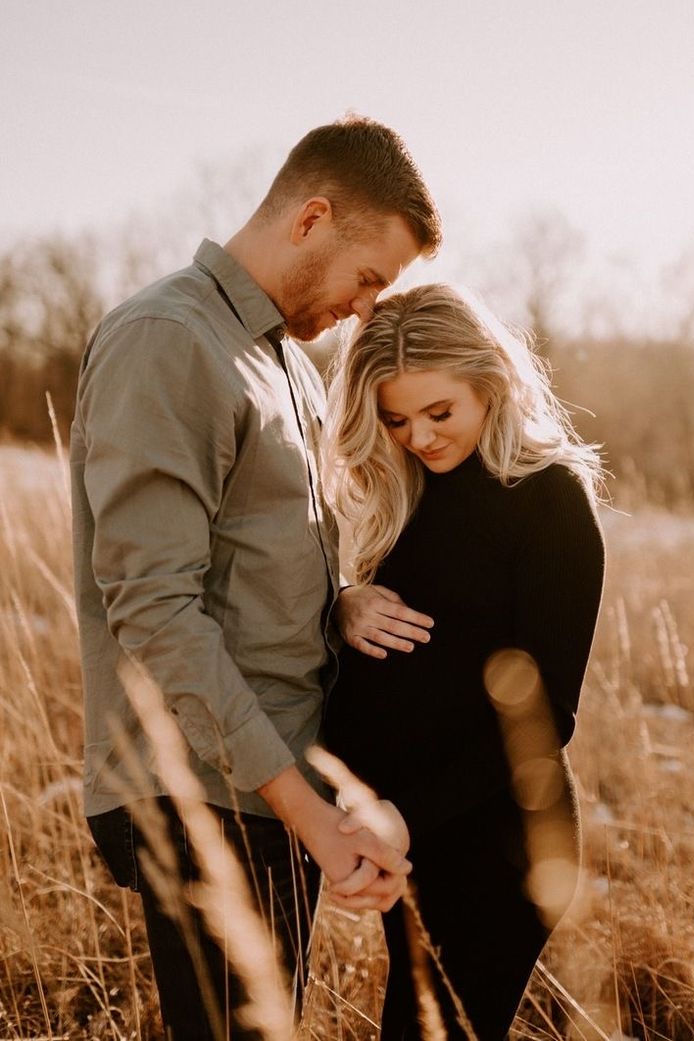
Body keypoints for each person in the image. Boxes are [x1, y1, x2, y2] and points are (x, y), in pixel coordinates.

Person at [69, 115, 441, 1040]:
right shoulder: (169, 339)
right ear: (312, 217)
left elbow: (250, 556)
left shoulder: (287, 365)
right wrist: (305, 810)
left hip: (267, 787)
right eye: (367, 279)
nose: (365, 308)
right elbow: (155, 606)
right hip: (204, 792)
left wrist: (342, 596)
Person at [322, 284, 606, 1040]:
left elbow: (547, 718)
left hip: (495, 848)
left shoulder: (548, 499)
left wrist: (399, 818)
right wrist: (344, 600)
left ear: (491, 382)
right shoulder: (406, 491)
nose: (417, 435)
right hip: (413, 843)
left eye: (438, 412)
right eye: (395, 418)